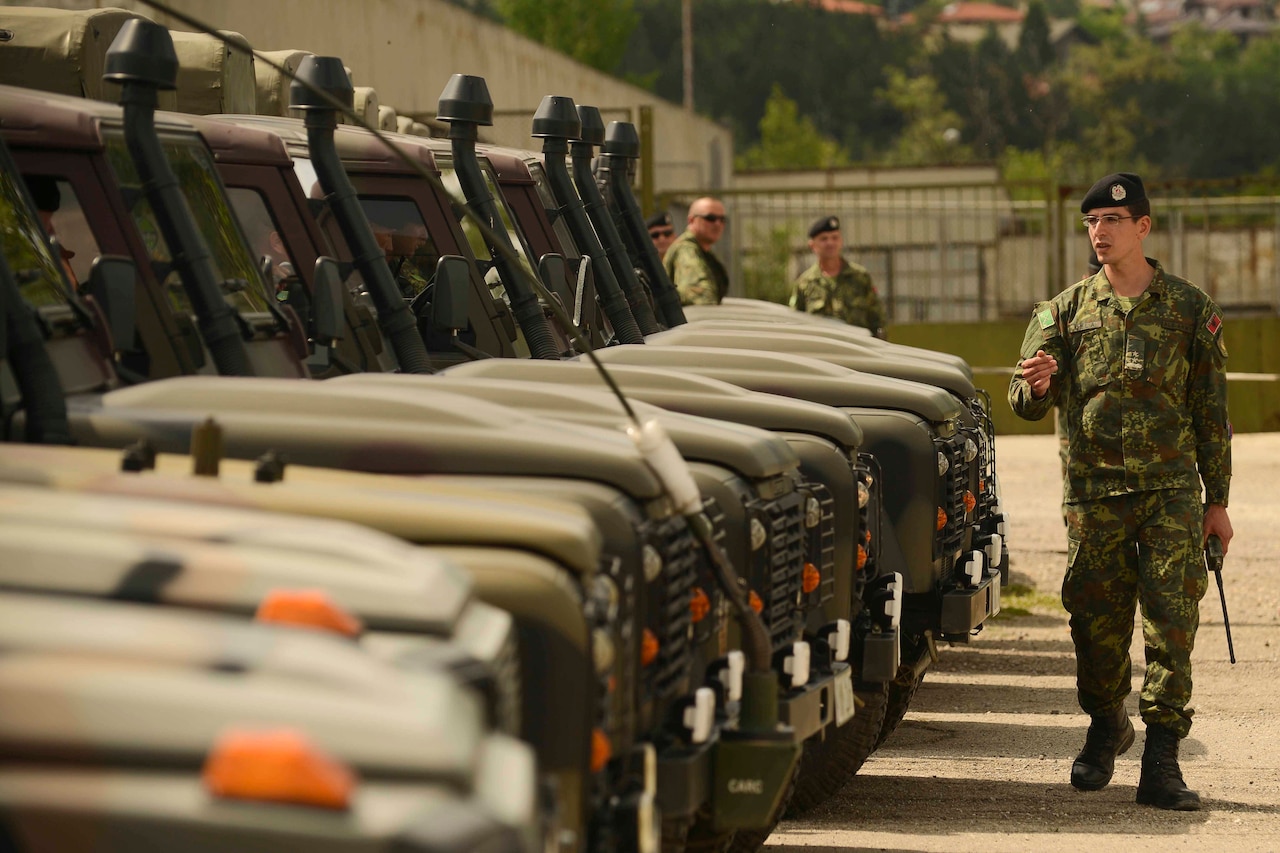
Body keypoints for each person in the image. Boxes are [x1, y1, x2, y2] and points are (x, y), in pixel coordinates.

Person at [1008, 172, 1233, 811]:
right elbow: (1021, 401)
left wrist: (1217, 501)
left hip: (1170, 493)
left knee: (1172, 624)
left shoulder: (1190, 308)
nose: (1100, 233)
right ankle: (1107, 722)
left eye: (1112, 221)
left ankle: (1163, 761)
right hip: (1094, 496)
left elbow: (1211, 410)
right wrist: (1040, 384)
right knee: (1095, 626)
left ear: (1143, 227)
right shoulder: (1062, 310)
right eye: (1091, 224)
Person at [790, 215, 887, 338]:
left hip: (859, 348)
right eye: (824, 239)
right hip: (821, 350)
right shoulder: (805, 283)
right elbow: (796, 322)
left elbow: (877, 318)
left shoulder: (860, 277)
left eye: (835, 238)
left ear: (841, 241)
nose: (830, 243)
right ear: (812, 245)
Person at [664, 196, 729, 306]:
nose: (718, 224)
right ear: (691, 220)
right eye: (710, 218)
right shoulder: (686, 250)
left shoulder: (702, 250)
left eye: (722, 219)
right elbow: (700, 297)